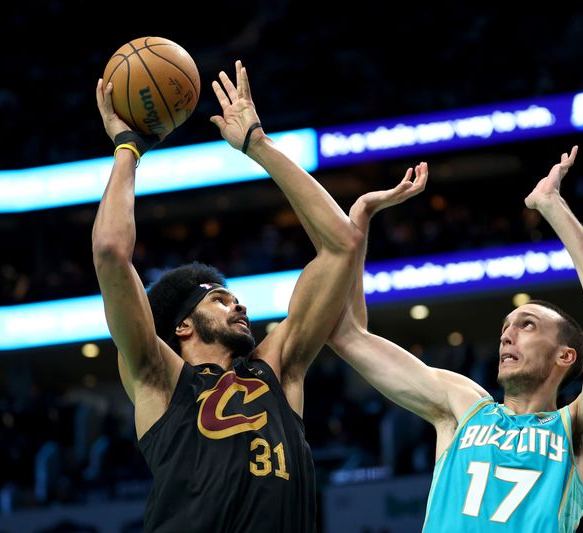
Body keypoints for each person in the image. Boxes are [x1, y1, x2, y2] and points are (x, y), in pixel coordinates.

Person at [93, 59, 428, 532]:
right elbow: (110, 251)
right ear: (183, 326)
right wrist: (129, 148)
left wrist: (258, 144)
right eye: (220, 300)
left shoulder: (279, 369)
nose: (239, 305)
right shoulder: (158, 379)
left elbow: (342, 245)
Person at [329, 146, 583, 532]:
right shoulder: (463, 405)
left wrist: (551, 205)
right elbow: (350, 336)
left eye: (527, 325)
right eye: (507, 326)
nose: (507, 335)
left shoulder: (580, 426)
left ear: (565, 356)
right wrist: (361, 216)